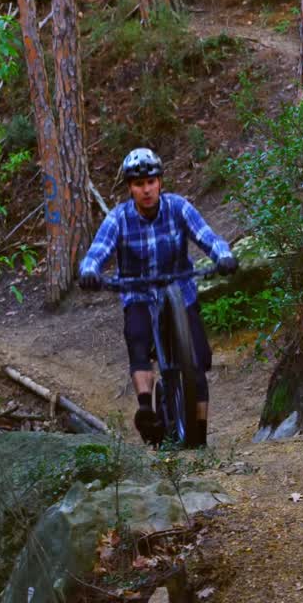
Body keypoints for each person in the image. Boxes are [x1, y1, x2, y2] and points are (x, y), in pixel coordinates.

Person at [78, 148, 238, 447]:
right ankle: (145, 409)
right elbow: (97, 251)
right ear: (130, 188)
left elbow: (207, 236)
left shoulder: (178, 208)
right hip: (138, 293)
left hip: (181, 290)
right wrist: (89, 271)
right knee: (137, 338)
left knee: (198, 361)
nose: (146, 189)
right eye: (139, 185)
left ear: (160, 182)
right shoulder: (119, 218)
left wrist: (224, 255)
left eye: (151, 182)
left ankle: (199, 440)